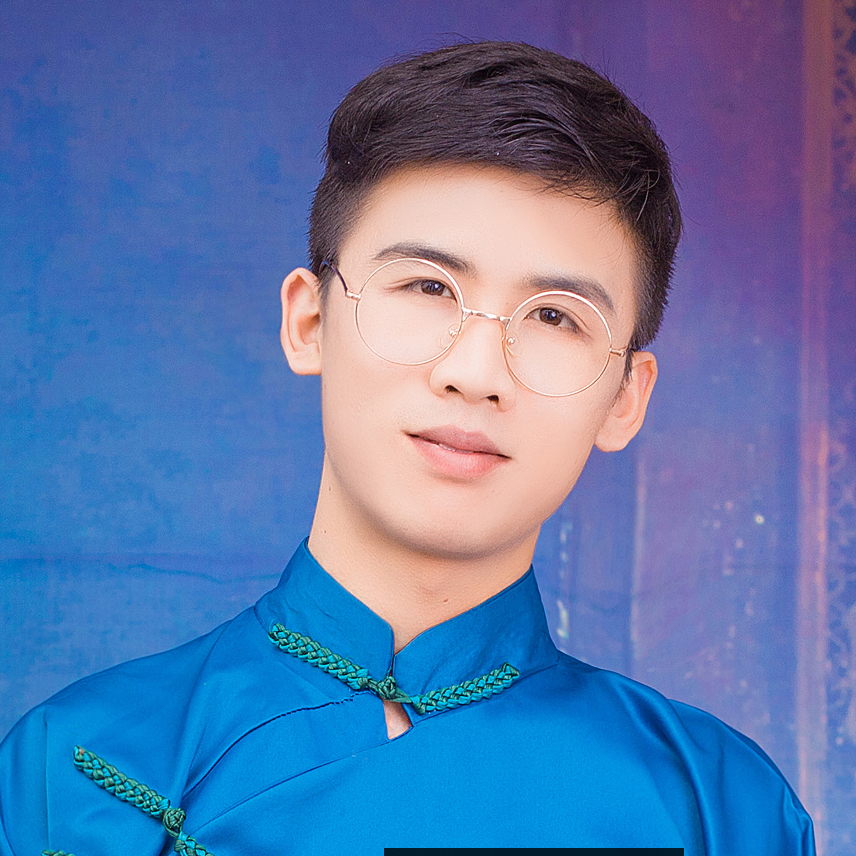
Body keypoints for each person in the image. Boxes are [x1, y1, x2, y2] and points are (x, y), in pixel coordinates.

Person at [0, 41, 814, 855]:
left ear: (626, 397)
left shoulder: (721, 809)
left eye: (555, 316)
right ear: (309, 321)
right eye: (428, 287)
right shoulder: (78, 774)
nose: (476, 374)